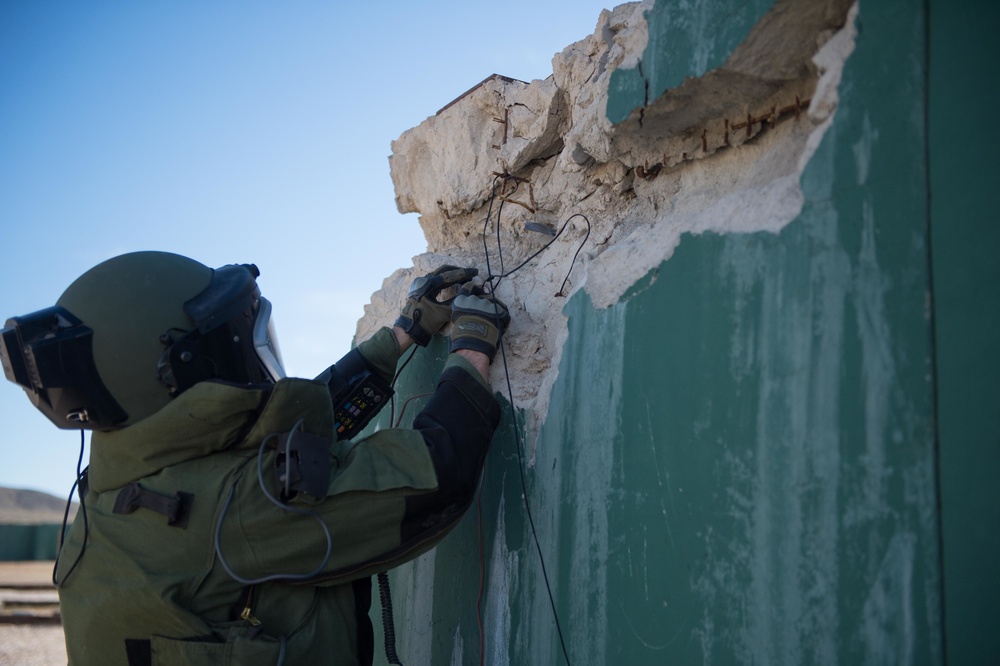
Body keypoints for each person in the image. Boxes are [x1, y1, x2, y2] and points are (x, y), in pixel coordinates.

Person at [0, 251, 510, 666]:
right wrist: (472, 349)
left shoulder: (123, 484)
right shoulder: (226, 510)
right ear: (186, 367)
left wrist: (400, 335)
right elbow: (434, 475)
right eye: (238, 339)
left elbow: (273, 444)